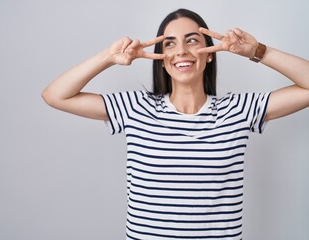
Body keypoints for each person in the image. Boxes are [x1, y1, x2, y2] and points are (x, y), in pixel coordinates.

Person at [42, 8, 309, 240]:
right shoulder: (135, 108)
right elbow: (55, 95)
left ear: (210, 54)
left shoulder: (237, 110)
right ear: (161, 58)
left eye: (192, 41)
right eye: (169, 44)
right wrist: (109, 57)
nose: (181, 50)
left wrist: (257, 51)